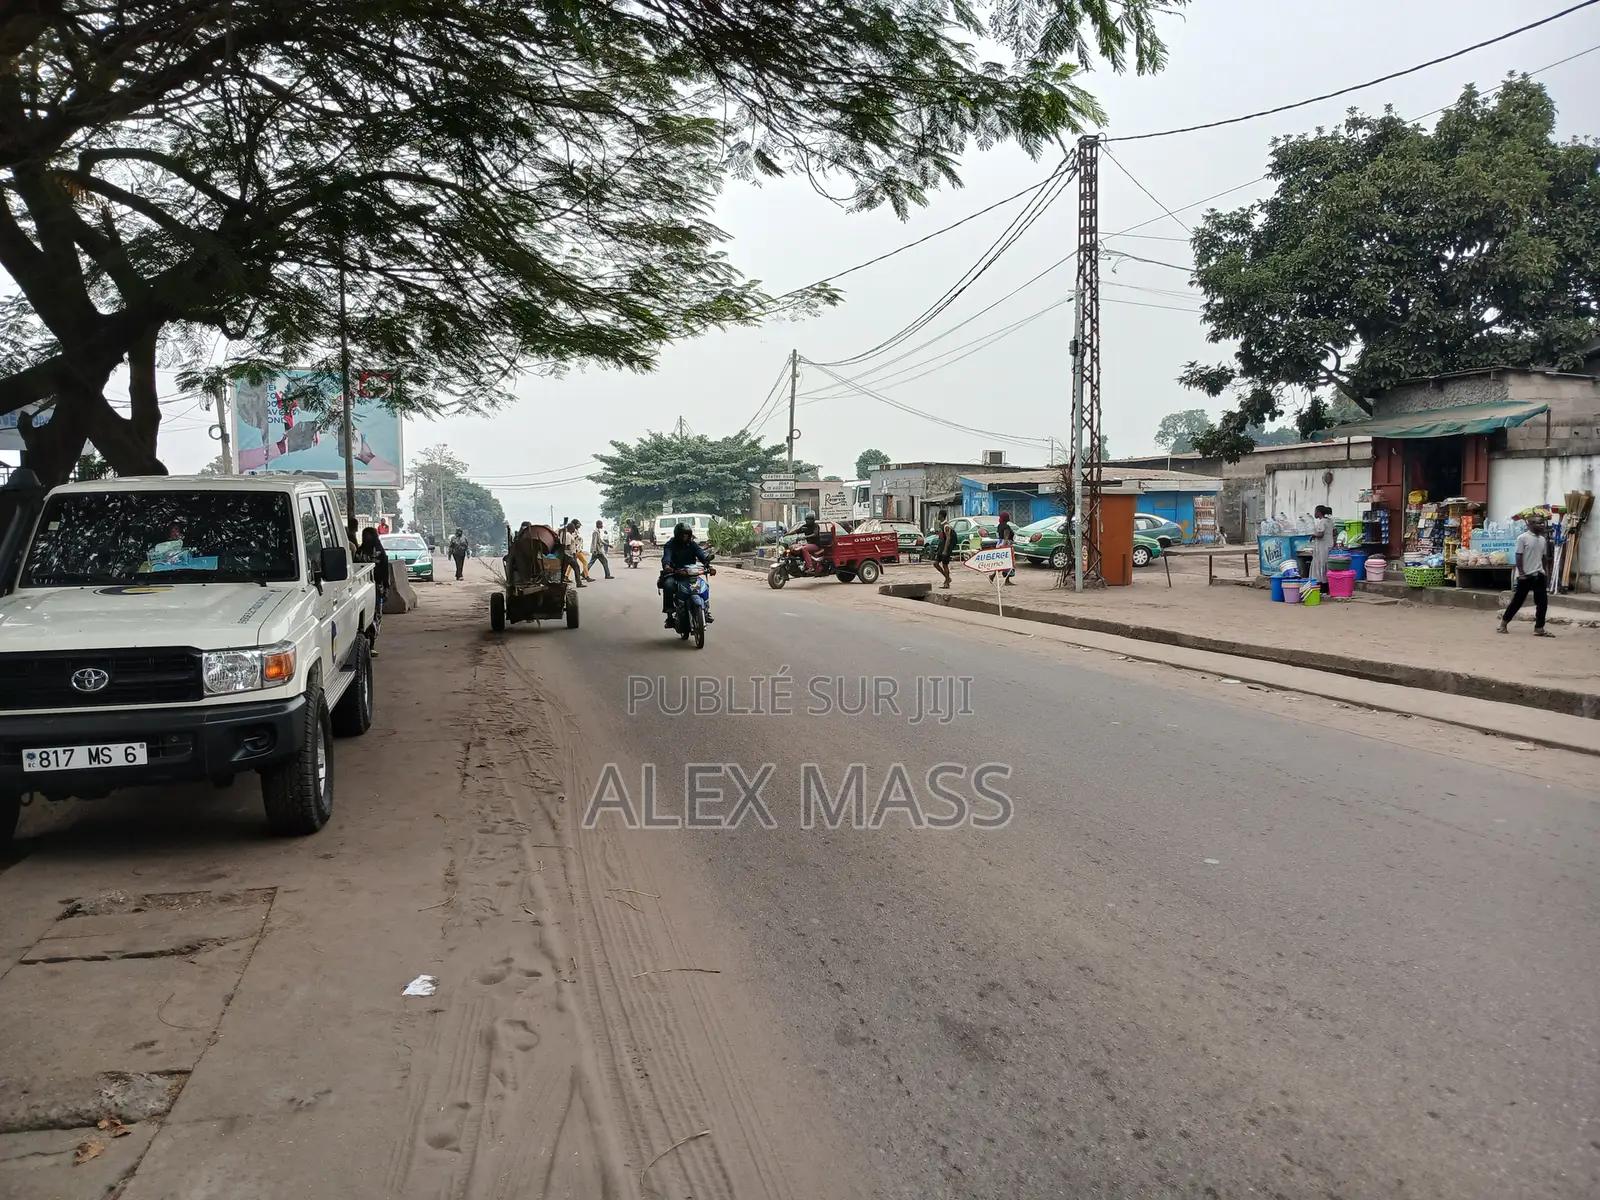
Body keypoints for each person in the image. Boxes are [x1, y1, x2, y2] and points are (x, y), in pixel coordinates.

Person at [1499, 515, 1553, 636]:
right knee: (1517, 601)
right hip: (1525, 576)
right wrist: (1522, 573)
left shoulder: (1543, 539)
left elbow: (1544, 557)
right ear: (1530, 524)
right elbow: (1518, 556)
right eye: (1539, 523)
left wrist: (1544, 571)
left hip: (1539, 574)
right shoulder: (1522, 538)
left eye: (1543, 523)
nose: (1542, 525)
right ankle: (1503, 623)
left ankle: (1539, 628)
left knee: (1542, 603)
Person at [659, 522, 715, 626]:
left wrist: (708, 565)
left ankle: (706, 611)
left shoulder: (692, 544)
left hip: (691, 573)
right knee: (668, 585)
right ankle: (670, 615)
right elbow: (667, 556)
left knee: (704, 586)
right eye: (682, 534)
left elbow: (701, 554)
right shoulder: (671, 544)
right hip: (676, 573)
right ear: (677, 534)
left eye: (687, 534)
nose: (685, 536)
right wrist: (667, 566)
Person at [355, 527, 391, 657]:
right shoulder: (363, 551)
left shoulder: (376, 552)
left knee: (374, 616)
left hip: (373, 588)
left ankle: (370, 644)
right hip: (366, 589)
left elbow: (385, 572)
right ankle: (366, 645)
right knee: (369, 617)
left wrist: (386, 588)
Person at [932, 509, 957, 589]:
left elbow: (948, 538)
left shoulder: (946, 526)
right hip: (941, 548)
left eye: (939, 515)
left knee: (945, 565)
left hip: (946, 548)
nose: (938, 516)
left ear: (942, 516)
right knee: (936, 563)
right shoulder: (941, 525)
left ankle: (947, 583)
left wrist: (945, 550)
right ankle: (948, 578)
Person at [1310, 505, 1335, 583]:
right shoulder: (1330, 521)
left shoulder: (1322, 522)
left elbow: (1320, 534)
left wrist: (1313, 535)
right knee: (1327, 564)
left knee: (1320, 563)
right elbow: (1335, 532)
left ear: (1319, 512)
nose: (1314, 513)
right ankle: (1328, 582)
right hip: (1329, 545)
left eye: (1315, 511)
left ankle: (1321, 582)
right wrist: (1329, 536)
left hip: (1322, 547)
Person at [562, 520, 587, 586]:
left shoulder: (568, 535)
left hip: (569, 554)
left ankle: (561, 582)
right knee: (576, 568)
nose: (574, 529)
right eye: (573, 528)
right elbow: (567, 545)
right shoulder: (568, 535)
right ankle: (578, 583)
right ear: (571, 528)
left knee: (565, 569)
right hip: (569, 555)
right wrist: (571, 553)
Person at [995, 511, 1016, 585]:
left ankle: (993, 575)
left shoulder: (999, 525)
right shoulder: (1006, 527)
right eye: (1008, 516)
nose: (1009, 517)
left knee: (1000, 562)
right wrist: (1005, 547)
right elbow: (1006, 537)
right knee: (1008, 562)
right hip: (1005, 544)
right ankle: (1007, 580)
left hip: (999, 543)